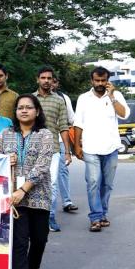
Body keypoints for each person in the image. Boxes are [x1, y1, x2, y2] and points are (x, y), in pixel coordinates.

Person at [0, 94, 54, 269]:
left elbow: (42, 165)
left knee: (39, 240)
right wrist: (4, 161)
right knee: (19, 243)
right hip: (14, 199)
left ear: (37, 111)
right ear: (15, 112)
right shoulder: (5, 135)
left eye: (29, 107)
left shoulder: (45, 135)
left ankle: (33, 268)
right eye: (20, 107)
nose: (24, 111)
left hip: (39, 196)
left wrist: (23, 189)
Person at [73, 66, 130, 232]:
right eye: (96, 80)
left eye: (103, 80)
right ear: (91, 81)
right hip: (91, 147)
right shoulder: (84, 98)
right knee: (93, 182)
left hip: (111, 147)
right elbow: (78, 123)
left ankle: (103, 213)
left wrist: (112, 96)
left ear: (107, 81)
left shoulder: (116, 95)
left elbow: (124, 114)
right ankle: (96, 217)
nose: (100, 83)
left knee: (107, 184)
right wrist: (77, 145)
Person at [34, 66, 73, 232]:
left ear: (53, 81)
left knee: (53, 183)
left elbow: (64, 126)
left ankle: (49, 216)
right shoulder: (30, 99)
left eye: (49, 78)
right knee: (33, 181)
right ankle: (34, 216)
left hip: (54, 148)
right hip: (32, 147)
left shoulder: (59, 100)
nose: (46, 81)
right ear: (37, 79)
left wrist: (68, 152)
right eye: (43, 78)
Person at [52, 77, 78, 214]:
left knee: (62, 171)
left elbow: (72, 119)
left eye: (54, 81)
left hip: (61, 139)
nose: (51, 83)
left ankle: (67, 201)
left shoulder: (63, 98)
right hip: (42, 141)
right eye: (47, 79)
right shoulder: (35, 98)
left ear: (57, 83)